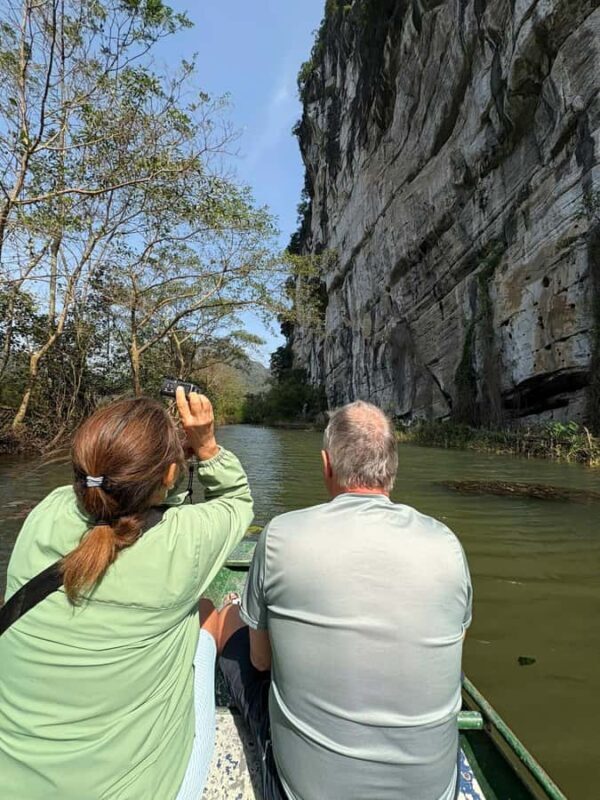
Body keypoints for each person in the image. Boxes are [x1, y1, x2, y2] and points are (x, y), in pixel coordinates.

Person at [0, 388, 253, 800]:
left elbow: (118, 496)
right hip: (135, 789)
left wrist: (165, 466)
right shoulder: (182, 541)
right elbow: (236, 501)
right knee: (207, 613)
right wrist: (205, 447)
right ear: (170, 476)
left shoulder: (46, 513)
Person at [218, 400, 473, 800]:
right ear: (392, 470)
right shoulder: (447, 544)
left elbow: (261, 662)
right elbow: (455, 649)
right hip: (435, 791)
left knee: (232, 637)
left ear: (326, 465)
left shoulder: (282, 535)